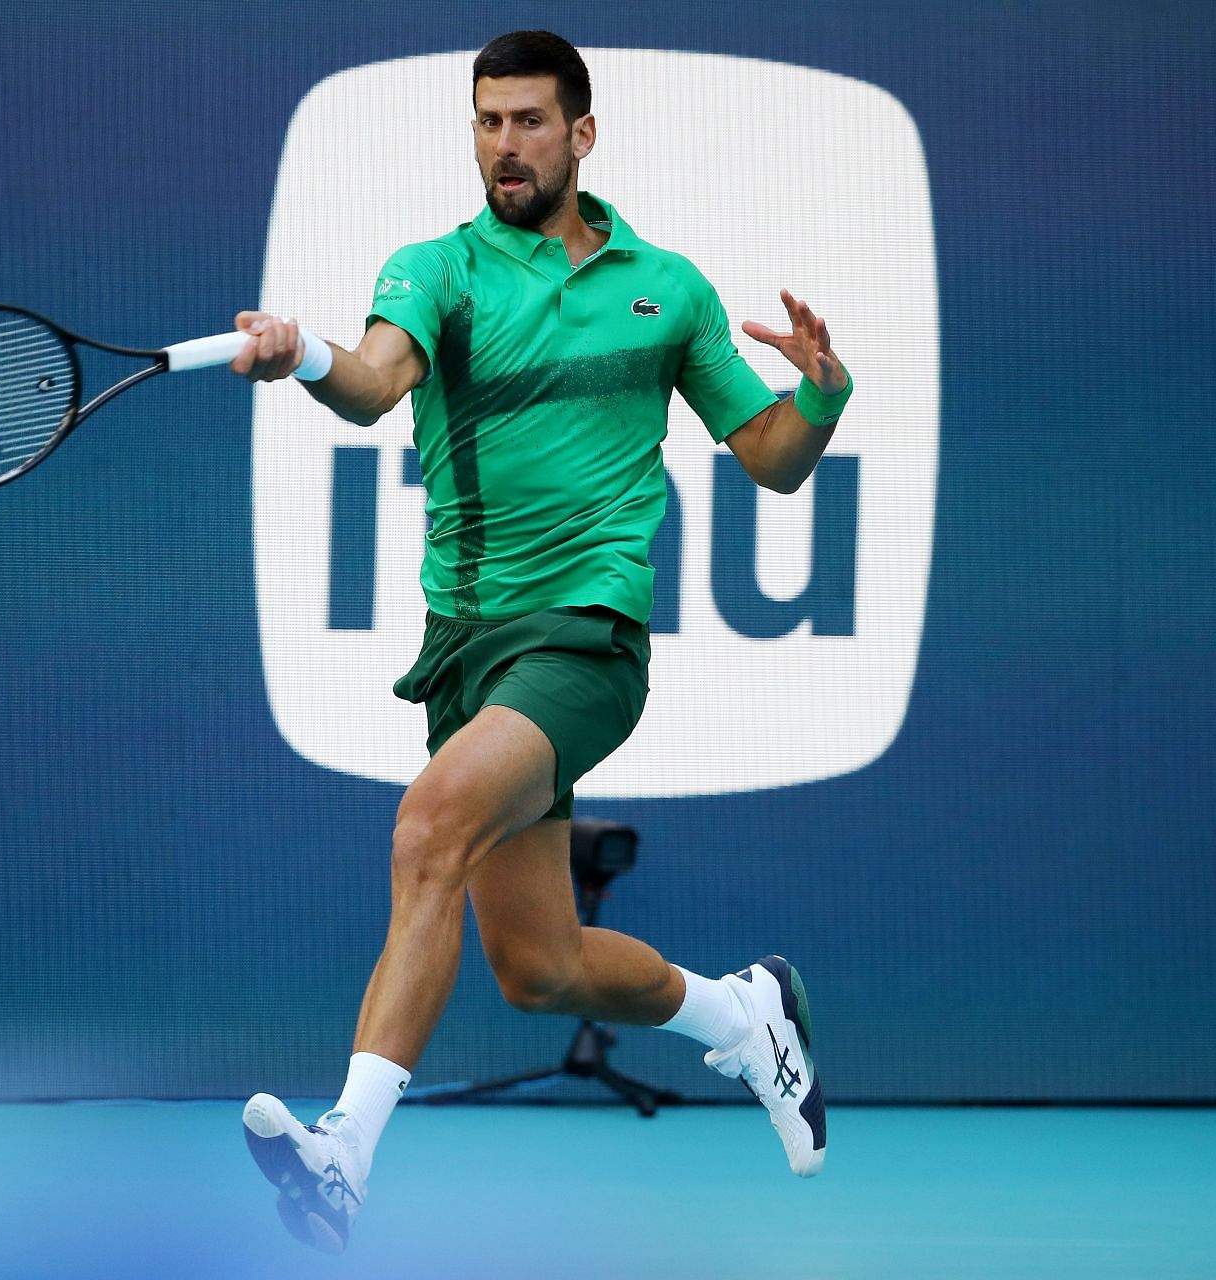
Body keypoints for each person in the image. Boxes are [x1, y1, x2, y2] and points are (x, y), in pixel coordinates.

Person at [228, 29, 853, 1254]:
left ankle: (343, 1153)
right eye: (484, 121)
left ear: (581, 132)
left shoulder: (665, 289)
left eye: (525, 121)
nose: (502, 144)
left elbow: (772, 461)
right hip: (470, 646)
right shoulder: (438, 270)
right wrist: (300, 352)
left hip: (587, 638)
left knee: (427, 825)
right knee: (540, 967)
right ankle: (745, 1014)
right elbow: (369, 383)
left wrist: (821, 393)